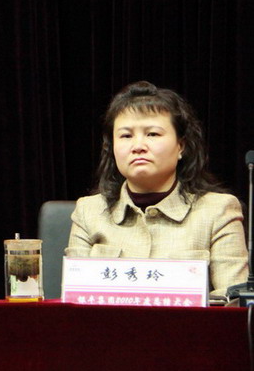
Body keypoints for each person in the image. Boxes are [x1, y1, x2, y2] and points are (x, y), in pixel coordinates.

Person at [66, 81, 248, 296]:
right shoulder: (88, 212)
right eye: (126, 136)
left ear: (181, 146)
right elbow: (74, 300)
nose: (138, 146)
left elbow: (232, 302)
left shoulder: (218, 211)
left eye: (152, 134)